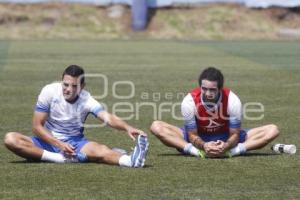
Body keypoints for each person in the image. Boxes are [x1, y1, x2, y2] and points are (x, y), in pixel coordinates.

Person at [4, 65, 149, 167]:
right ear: (61, 81)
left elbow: (107, 117)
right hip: (47, 142)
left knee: (100, 150)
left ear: (82, 86)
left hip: (75, 144)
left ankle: (130, 161)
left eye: (74, 86)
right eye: (66, 84)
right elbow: (36, 127)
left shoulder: (87, 100)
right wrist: (59, 144)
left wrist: (127, 127)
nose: (68, 89)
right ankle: (61, 159)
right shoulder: (49, 91)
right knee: (11, 139)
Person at [150, 67, 279, 158]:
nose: (207, 93)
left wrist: (227, 146)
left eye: (212, 90)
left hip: (227, 138)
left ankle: (233, 152)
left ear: (220, 88)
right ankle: (196, 152)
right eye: (204, 89)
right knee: (156, 127)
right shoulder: (189, 101)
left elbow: (235, 134)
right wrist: (204, 145)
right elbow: (192, 134)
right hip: (197, 139)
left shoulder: (232, 100)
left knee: (273, 130)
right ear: (200, 86)